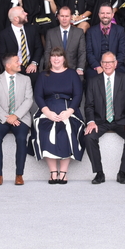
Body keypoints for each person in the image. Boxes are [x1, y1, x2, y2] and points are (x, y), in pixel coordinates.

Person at [83, 51, 125, 184]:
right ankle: (99, 173)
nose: (107, 65)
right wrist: (91, 121)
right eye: (104, 62)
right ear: (101, 64)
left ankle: (122, 173)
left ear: (116, 64)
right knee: (89, 137)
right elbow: (89, 105)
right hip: (100, 120)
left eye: (110, 62)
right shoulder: (93, 81)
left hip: (120, 120)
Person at [31, 46, 84, 184]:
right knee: (45, 129)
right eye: (53, 56)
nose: (56, 59)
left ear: (64, 58)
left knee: (67, 130)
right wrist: (47, 112)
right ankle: (53, 172)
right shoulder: (43, 75)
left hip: (68, 108)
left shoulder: (72, 74)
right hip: (47, 108)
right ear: (49, 59)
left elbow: (78, 95)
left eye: (59, 56)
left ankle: (64, 172)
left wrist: (69, 111)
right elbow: (38, 96)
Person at [0, 53, 34, 186]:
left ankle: (19, 174)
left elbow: (28, 100)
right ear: (8, 65)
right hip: (0, 118)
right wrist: (6, 118)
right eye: (17, 61)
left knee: (21, 138)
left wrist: (16, 116)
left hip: (21, 117)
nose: (20, 63)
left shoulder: (26, 79)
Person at [85, 3, 125, 78]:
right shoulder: (90, 31)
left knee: (122, 77)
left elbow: (122, 52)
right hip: (96, 66)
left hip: (115, 66)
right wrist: (97, 67)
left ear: (112, 15)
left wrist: (112, 66)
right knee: (90, 76)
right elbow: (89, 52)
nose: (105, 15)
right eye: (102, 13)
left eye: (108, 13)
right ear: (98, 14)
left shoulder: (120, 30)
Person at [43, 6, 86, 77]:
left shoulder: (79, 32)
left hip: (73, 70)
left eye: (67, 16)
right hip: (55, 69)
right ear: (58, 17)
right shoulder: (50, 33)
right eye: (62, 16)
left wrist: (80, 68)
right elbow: (47, 52)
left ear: (71, 17)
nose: (64, 19)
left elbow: (82, 52)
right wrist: (49, 68)